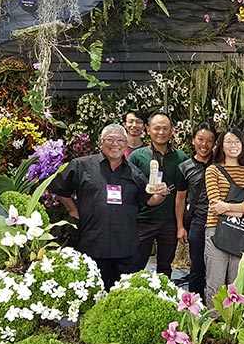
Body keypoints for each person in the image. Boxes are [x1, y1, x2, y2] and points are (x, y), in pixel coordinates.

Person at [49, 124, 170, 289]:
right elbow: (59, 188)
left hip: (125, 248)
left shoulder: (133, 173)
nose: (116, 144)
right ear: (101, 143)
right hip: (92, 244)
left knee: (121, 296)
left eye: (120, 140)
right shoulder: (81, 166)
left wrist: (161, 193)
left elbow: (150, 200)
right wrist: (73, 211)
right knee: (92, 295)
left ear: (126, 145)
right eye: (110, 139)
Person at [128, 111, 188, 276]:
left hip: (169, 221)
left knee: (165, 266)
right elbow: (130, 190)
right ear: (148, 130)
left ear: (172, 130)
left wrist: (180, 225)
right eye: (156, 128)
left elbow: (183, 193)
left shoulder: (181, 158)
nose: (161, 132)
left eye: (165, 128)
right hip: (143, 220)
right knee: (136, 264)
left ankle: (164, 297)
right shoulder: (137, 157)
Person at [204, 128, 244, 304]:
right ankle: (213, 325)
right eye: (228, 142)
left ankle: (234, 324)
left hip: (239, 232)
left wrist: (227, 207)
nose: (233, 145)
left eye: (237, 141)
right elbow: (215, 206)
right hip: (216, 230)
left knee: (237, 282)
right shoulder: (213, 170)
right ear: (220, 146)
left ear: (243, 145)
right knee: (215, 282)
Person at [175, 122, 217, 298]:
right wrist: (180, 227)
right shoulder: (184, 168)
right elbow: (180, 198)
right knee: (197, 266)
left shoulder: (221, 165)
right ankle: (195, 304)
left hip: (218, 221)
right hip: (198, 221)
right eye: (200, 139)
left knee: (216, 267)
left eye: (209, 140)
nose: (204, 144)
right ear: (193, 140)